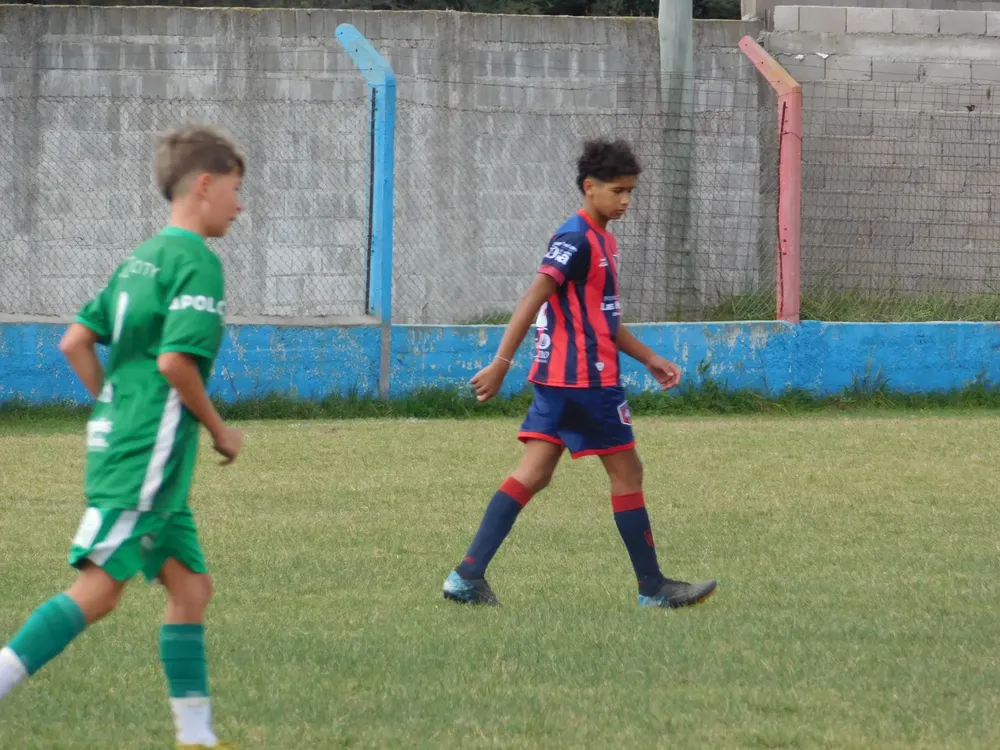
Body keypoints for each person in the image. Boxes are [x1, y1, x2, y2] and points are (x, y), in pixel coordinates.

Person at [0, 126, 246, 749]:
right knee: (100, 591)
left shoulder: (139, 259)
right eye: (237, 191)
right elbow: (174, 363)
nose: (241, 207)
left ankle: (197, 736)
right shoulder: (197, 264)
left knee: (191, 589)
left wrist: (114, 403)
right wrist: (220, 430)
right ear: (205, 185)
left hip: (135, 444)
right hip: (148, 454)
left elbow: (75, 341)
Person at [442, 139, 717, 609]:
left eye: (631, 191)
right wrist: (500, 363)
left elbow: (602, 318)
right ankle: (652, 588)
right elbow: (533, 298)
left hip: (558, 381)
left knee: (532, 474)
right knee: (628, 473)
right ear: (589, 188)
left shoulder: (603, 239)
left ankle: (466, 576)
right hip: (587, 381)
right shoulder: (575, 239)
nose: (626, 200)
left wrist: (648, 358)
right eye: (617, 190)